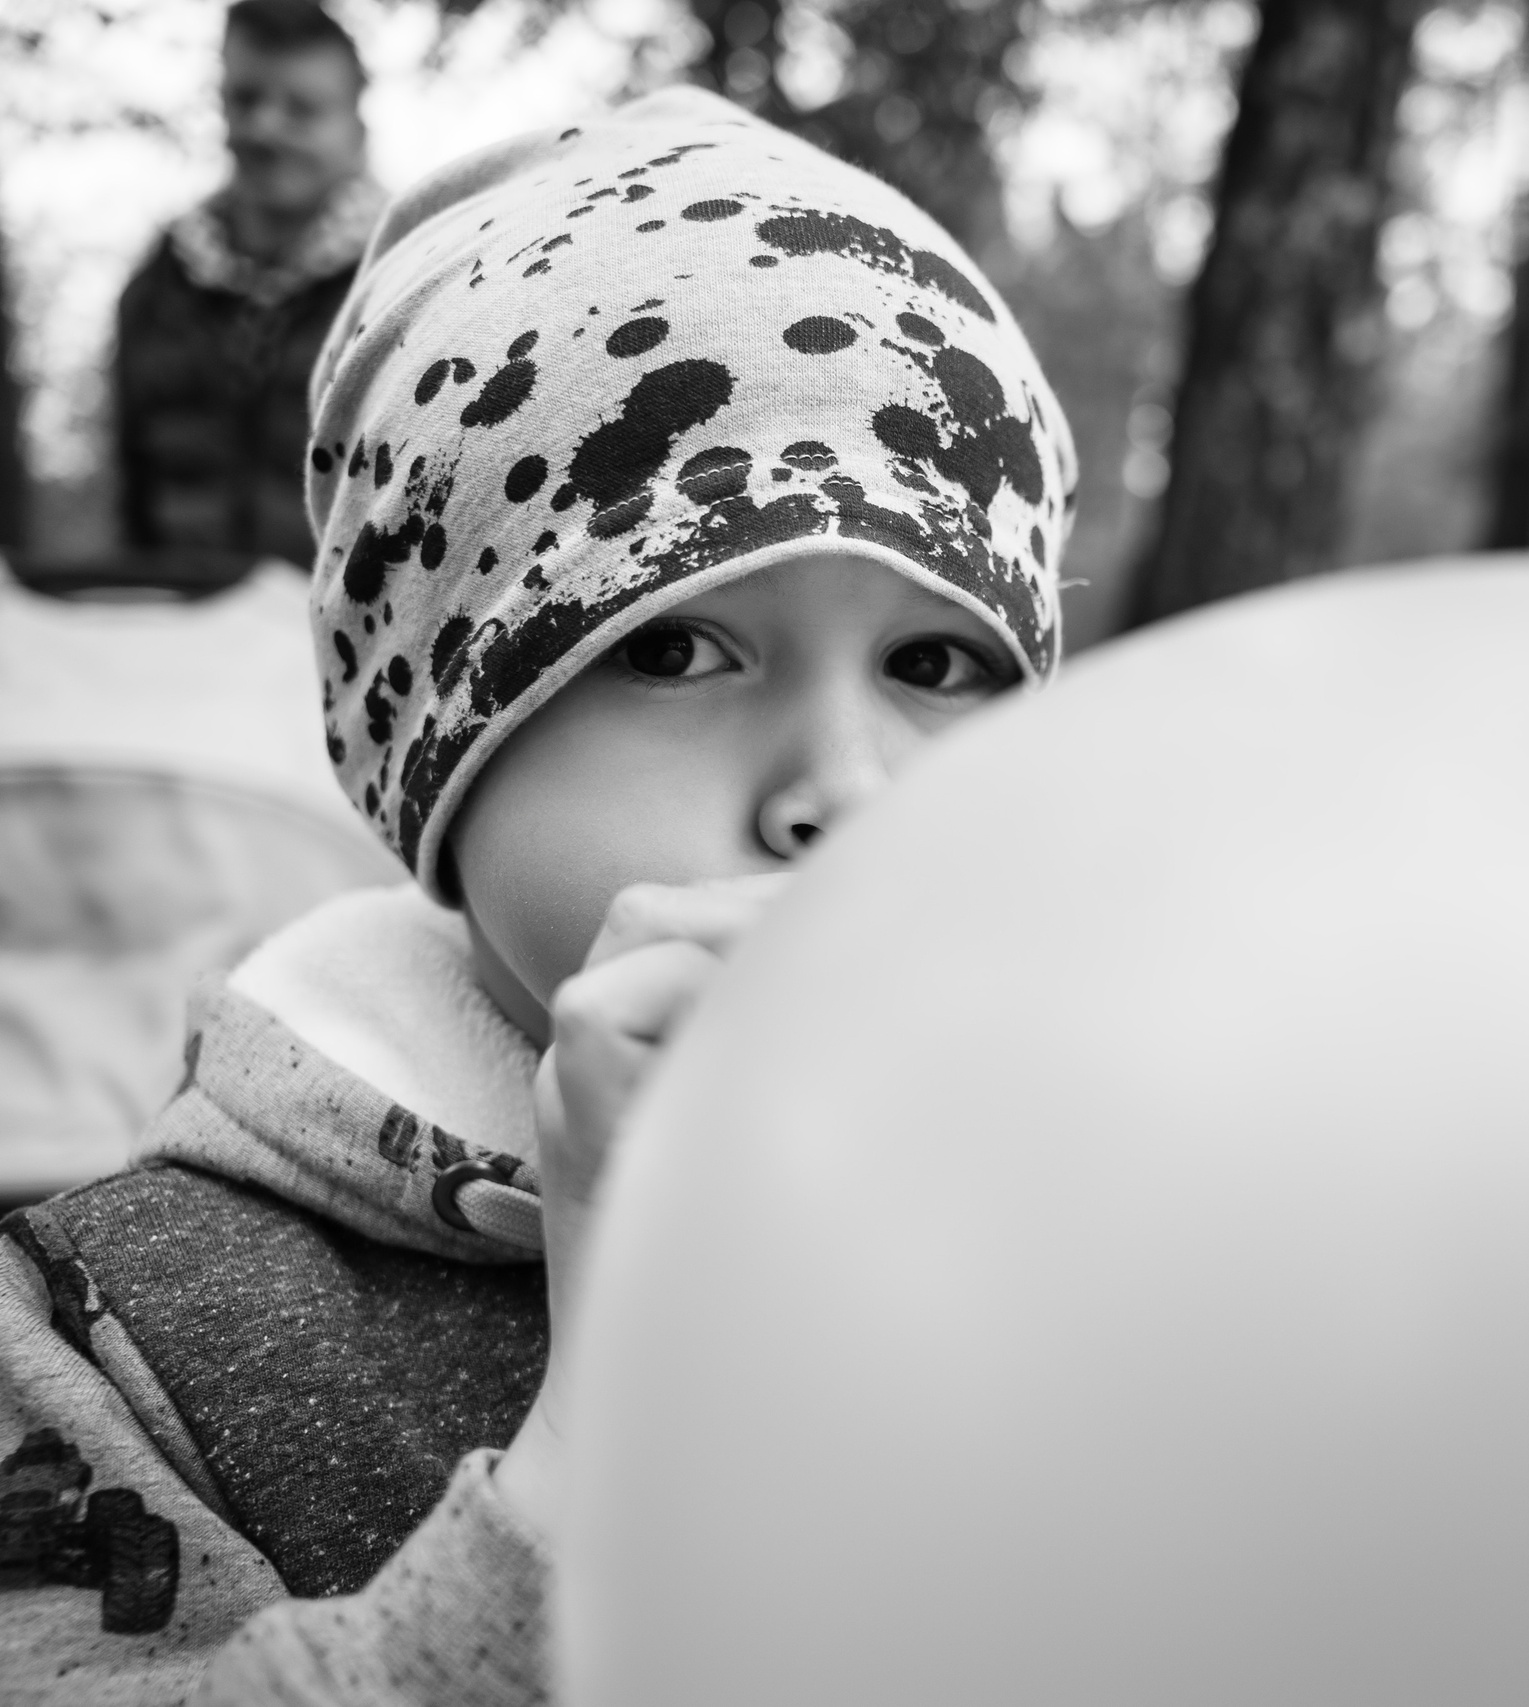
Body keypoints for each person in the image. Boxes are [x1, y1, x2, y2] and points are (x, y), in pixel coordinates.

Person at [0, 84, 1074, 1703]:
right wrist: (597, 1462)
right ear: (436, 746)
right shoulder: (115, 1328)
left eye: (937, 662)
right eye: (675, 646)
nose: (846, 788)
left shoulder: (1112, 1204)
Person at [114, 0, 382, 573]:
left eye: (302, 109)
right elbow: (132, 489)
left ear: (357, 129)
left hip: (344, 648)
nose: (263, 127)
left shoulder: (406, 279)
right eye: (245, 99)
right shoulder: (156, 284)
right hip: (185, 630)